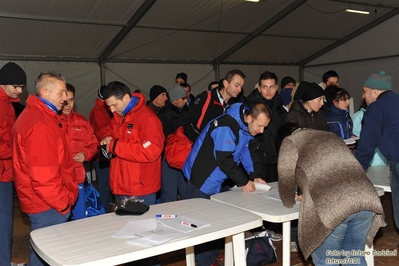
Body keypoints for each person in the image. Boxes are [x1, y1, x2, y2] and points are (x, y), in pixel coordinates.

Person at [277, 123, 385, 266]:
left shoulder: (290, 141)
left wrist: (288, 201)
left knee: (327, 261)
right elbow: (332, 170)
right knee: (354, 258)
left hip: (333, 207)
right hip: (366, 199)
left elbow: (285, 177)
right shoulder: (330, 135)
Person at [183, 102, 271, 266]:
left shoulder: (245, 127)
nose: (261, 131)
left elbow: (244, 151)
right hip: (201, 176)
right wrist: (244, 182)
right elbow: (224, 159)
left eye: (265, 127)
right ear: (249, 117)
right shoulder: (226, 126)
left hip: (217, 178)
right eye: (260, 126)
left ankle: (212, 254)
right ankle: (205, 260)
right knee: (202, 221)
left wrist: (255, 176)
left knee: (214, 219)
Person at [12, 71, 78, 266]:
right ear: (44, 92)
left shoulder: (36, 116)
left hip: (41, 200)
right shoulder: (40, 123)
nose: (66, 99)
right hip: (47, 203)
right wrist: (63, 204)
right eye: (61, 93)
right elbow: (43, 176)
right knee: (48, 256)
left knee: (42, 251)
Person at [100, 81, 164, 205]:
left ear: (126, 98)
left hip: (140, 189)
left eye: (114, 105)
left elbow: (151, 150)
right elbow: (109, 130)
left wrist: (115, 145)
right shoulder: (119, 116)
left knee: (142, 224)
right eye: (109, 106)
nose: (112, 110)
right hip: (120, 185)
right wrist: (107, 137)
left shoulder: (147, 119)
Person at [356, 71, 399, 232]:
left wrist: (357, 170)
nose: (363, 96)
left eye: (365, 91)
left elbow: (368, 143)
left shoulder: (375, 108)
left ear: (375, 91)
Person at [0, 62, 28, 266]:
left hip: (7, 171)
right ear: (4, 83)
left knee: (6, 222)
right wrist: (19, 151)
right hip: (1, 173)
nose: (19, 91)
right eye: (16, 86)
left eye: (21, 87)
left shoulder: (8, 104)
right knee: (3, 222)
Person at [60, 83, 98, 220]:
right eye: (65, 101)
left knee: (80, 218)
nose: (68, 104)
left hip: (77, 178)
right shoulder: (50, 121)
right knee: (59, 221)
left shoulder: (82, 122)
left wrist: (86, 154)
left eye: (71, 100)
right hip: (57, 180)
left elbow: (93, 144)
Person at [183, 69, 245, 143]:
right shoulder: (206, 97)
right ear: (225, 83)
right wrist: (201, 141)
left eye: (241, 86)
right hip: (201, 148)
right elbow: (188, 122)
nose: (239, 90)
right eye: (236, 85)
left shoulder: (235, 106)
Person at [246, 71, 287, 183]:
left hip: (277, 156)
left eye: (271, 87)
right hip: (258, 157)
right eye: (264, 87)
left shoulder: (279, 106)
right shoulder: (250, 106)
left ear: (277, 87)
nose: (268, 91)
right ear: (259, 88)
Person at [158, 84, 188, 202]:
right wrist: (180, 135)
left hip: (185, 156)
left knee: (186, 190)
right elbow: (164, 136)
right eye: (183, 98)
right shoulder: (164, 115)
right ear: (175, 99)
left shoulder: (186, 111)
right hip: (170, 157)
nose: (186, 100)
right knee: (170, 192)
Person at [89, 85, 113, 213]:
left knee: (107, 184)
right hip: (103, 153)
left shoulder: (101, 109)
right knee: (104, 185)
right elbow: (103, 131)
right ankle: (105, 210)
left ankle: (107, 207)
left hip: (106, 152)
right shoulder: (99, 111)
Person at [352, 100, 387, 166]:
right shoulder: (360, 115)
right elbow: (354, 135)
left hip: (384, 159)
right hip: (368, 161)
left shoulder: (382, 115)